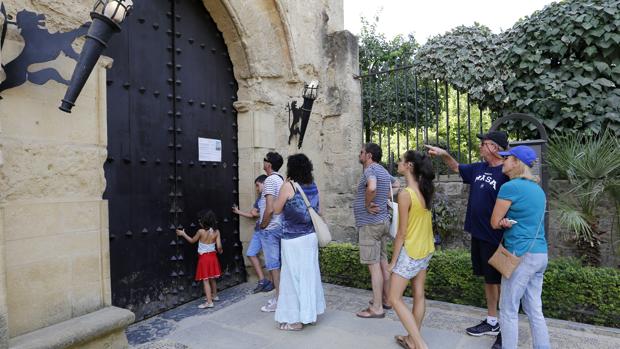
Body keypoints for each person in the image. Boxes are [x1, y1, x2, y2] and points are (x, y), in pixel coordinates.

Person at [425, 130, 509, 349]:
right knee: (489, 280)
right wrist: (444, 154)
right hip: (479, 234)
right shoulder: (479, 168)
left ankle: (506, 329)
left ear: (495, 148)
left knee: (502, 283)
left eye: (484, 143)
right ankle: (492, 321)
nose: (480, 146)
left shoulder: (508, 171)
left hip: (497, 237)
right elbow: (456, 167)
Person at [490, 145, 549, 349]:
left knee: (507, 309)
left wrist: (502, 222)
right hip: (540, 254)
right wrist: (508, 221)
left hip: (520, 254)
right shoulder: (538, 190)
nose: (503, 161)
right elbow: (528, 219)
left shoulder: (510, 187)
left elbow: (494, 222)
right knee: (534, 309)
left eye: (507, 159)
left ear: (516, 163)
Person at [272, 153, 326, 331]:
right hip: (310, 237)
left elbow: (276, 210)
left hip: (293, 238)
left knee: (292, 278)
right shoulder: (313, 185)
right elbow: (320, 210)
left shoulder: (288, 186)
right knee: (309, 276)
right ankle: (309, 314)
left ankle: (295, 320)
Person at [388, 150, 436, 349]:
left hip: (411, 251)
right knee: (419, 294)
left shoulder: (405, 194)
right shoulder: (425, 190)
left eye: (401, 161)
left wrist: (392, 262)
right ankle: (411, 339)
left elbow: (401, 233)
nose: (398, 163)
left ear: (409, 166)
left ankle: (419, 344)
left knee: (393, 298)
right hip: (425, 248)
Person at [354, 143, 393, 319]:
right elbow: (397, 184)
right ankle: (387, 300)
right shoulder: (384, 171)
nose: (359, 154)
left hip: (370, 224)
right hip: (382, 223)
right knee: (383, 262)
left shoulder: (370, 170)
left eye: (362, 152)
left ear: (368, 156)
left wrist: (368, 203)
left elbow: (371, 187)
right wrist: (385, 200)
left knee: (374, 266)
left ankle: (377, 308)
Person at [233, 174, 275, 293]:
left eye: (257, 185)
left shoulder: (270, 196)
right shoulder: (259, 198)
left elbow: (265, 211)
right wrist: (238, 212)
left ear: (264, 183)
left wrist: (257, 212)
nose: (256, 189)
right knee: (251, 253)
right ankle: (262, 280)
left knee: (270, 258)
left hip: (268, 230)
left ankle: (272, 282)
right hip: (258, 231)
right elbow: (253, 214)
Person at [176, 210, 223, 309]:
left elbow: (192, 241)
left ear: (203, 222)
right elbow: (219, 246)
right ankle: (215, 295)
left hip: (204, 258)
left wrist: (183, 234)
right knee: (212, 277)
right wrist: (220, 251)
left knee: (205, 280)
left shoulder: (201, 231)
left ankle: (209, 302)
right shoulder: (217, 231)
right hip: (213, 257)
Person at [259, 151, 285, 312]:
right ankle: (282, 296)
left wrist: (263, 225)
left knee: (273, 265)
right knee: (280, 264)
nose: (263, 163)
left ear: (268, 164)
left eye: (264, 160)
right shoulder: (280, 179)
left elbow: (269, 208)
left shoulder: (269, 180)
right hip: (281, 225)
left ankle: (279, 300)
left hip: (271, 228)